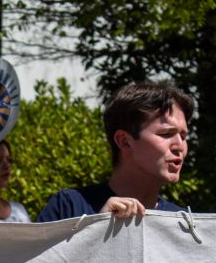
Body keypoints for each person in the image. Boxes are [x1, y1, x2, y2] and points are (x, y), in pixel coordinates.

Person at [36, 81, 193, 222]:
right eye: (166, 134)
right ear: (124, 141)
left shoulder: (183, 223)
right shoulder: (69, 207)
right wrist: (97, 226)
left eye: (184, 136)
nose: (180, 145)